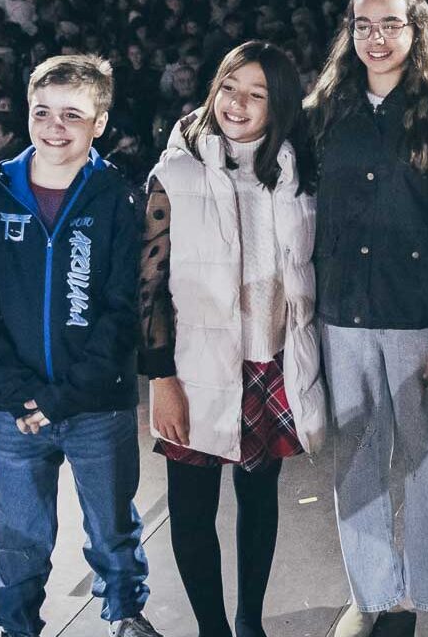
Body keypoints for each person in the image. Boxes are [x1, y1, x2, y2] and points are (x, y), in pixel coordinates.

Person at [0, 55, 162, 637]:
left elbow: (125, 308)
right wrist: (17, 393)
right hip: (15, 410)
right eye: (42, 111)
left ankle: (124, 615)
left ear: (100, 121)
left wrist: (66, 396)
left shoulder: (117, 197)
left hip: (95, 405)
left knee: (112, 523)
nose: (54, 126)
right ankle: (17, 627)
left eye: (73, 114)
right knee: (18, 533)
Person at [306, 0, 428, 637]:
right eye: (364, 26)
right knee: (356, 465)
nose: (376, 38)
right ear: (349, 34)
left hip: (419, 322)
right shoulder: (328, 114)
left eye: (391, 24)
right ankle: (374, 595)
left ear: (416, 31)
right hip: (344, 316)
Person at [141, 41, 325, 637]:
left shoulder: (297, 170)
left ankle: (250, 622)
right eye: (229, 87)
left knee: (259, 499)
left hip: (268, 365)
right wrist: (161, 380)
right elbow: (147, 288)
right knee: (191, 510)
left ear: (280, 107)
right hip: (193, 368)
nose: (238, 104)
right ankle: (212, 630)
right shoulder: (173, 170)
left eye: (257, 94)